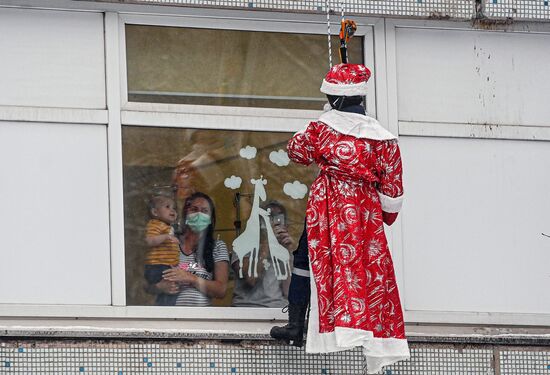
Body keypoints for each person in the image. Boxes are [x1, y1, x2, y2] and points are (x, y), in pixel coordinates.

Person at [271, 63, 410, 374]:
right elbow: (393, 192)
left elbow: (296, 151)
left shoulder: (322, 128)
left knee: (307, 259)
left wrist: (324, 119)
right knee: (365, 267)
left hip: (328, 208)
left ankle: (296, 323)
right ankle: (363, 326)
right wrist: (382, 214)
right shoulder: (384, 140)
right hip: (365, 214)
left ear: (333, 98)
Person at [162, 192, 230, 307]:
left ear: (210, 218)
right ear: (185, 214)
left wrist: (190, 278)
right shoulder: (171, 242)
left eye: (204, 211)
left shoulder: (217, 247)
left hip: (201, 319)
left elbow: (221, 290)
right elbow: (148, 285)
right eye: (194, 209)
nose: (199, 214)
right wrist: (160, 287)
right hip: (171, 317)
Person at [231, 201, 294, 308]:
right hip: (248, 310)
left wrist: (287, 253)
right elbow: (251, 278)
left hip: (278, 309)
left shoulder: (283, 248)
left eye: (278, 218)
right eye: (269, 217)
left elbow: (289, 292)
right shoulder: (242, 244)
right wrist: (268, 242)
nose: (274, 222)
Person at [144, 195, 180, 306]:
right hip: (157, 266)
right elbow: (149, 241)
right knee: (167, 291)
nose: (172, 210)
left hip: (167, 266)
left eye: (174, 208)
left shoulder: (168, 226)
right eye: (167, 207)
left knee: (171, 290)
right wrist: (165, 237)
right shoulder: (155, 224)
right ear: (155, 212)